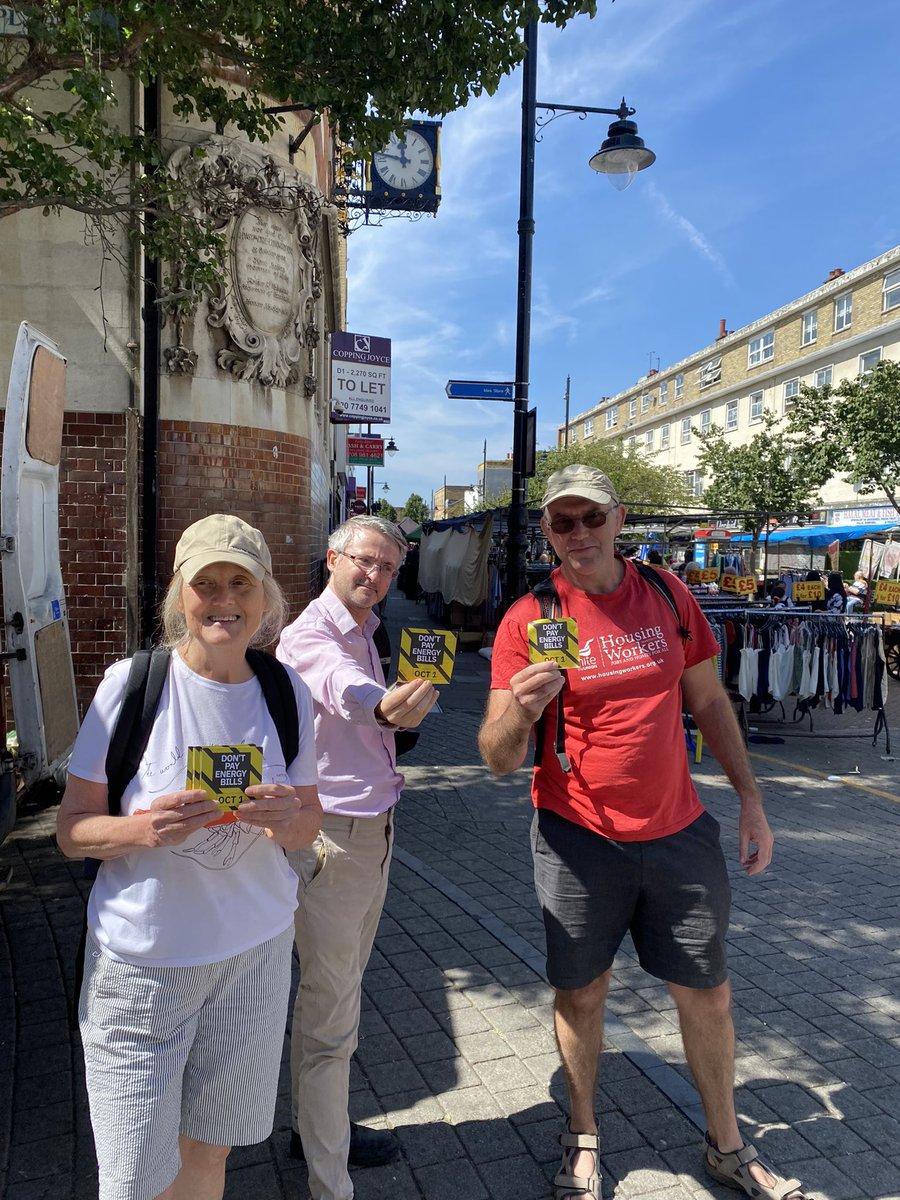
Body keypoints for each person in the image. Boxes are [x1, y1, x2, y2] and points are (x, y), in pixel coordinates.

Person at [478, 465, 812, 1200]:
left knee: (708, 993)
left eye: (590, 518)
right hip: (576, 837)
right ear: (547, 532)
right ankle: (584, 1136)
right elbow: (497, 758)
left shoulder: (666, 592)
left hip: (678, 832)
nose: (578, 534)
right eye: (562, 522)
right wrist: (522, 714)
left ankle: (726, 1145)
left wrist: (751, 800)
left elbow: (709, 700)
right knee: (582, 994)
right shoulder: (528, 616)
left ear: (618, 519)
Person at [57, 514, 323, 1200]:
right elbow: (72, 830)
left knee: (209, 1153)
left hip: (255, 957)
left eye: (241, 582)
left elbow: (310, 819)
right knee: (134, 1179)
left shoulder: (285, 691)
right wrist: (143, 831)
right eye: (206, 584)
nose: (224, 600)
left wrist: (286, 819)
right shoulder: (131, 686)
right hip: (144, 969)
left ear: (266, 598)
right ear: (181, 595)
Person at [277, 515, 439, 1200]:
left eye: (387, 568)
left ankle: (315, 1127)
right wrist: (385, 709)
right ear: (333, 558)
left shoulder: (369, 630)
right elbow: (345, 690)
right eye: (364, 562)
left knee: (339, 995)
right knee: (330, 1015)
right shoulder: (312, 634)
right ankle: (328, 1182)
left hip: (372, 833)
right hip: (333, 841)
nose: (374, 577)